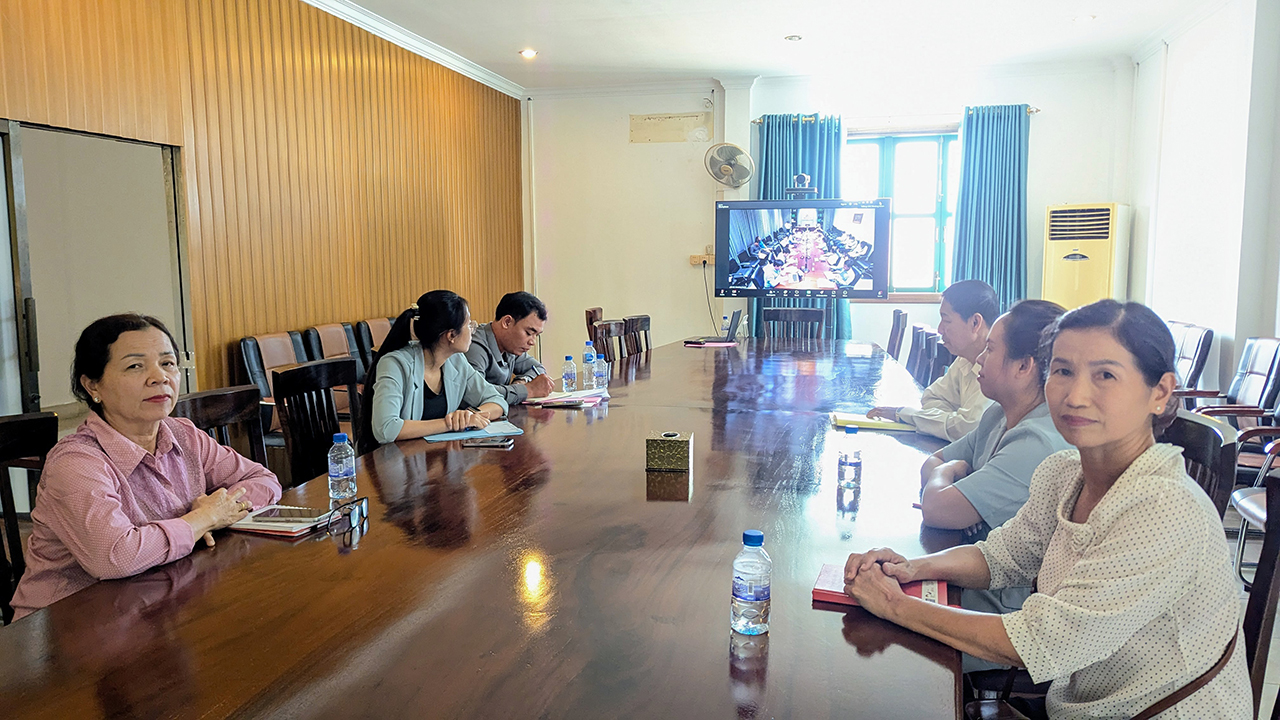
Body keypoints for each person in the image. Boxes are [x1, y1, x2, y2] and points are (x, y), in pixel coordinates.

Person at [843, 300, 1251, 719]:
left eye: (1105, 375)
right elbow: (1002, 557)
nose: (1076, 396)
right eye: (1062, 371)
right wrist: (911, 568)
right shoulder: (1064, 472)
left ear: (1160, 392)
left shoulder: (1164, 508)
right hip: (1077, 707)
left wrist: (894, 604)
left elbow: (1041, 641)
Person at [10, 314, 282, 620]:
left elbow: (262, 479)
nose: (159, 377)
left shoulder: (182, 433)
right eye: (135, 366)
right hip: (65, 625)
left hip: (153, 606)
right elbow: (116, 556)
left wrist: (223, 508)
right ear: (92, 385)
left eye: (167, 363)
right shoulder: (76, 462)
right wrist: (203, 518)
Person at [361, 290, 507, 450]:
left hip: (439, 455)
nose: (473, 330)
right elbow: (386, 429)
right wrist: (449, 423)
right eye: (468, 324)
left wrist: (469, 416)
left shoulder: (457, 361)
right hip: (396, 459)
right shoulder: (394, 364)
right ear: (451, 335)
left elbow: (498, 401)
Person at [868, 279, 998, 441]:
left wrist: (905, 414)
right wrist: (950, 421)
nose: (940, 329)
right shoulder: (965, 358)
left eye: (947, 320)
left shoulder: (999, 368)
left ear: (975, 323)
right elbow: (931, 397)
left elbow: (967, 428)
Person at [465, 291, 555, 405]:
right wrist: (528, 390)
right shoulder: (474, 346)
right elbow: (476, 393)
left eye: (536, 335)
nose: (532, 342)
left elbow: (537, 368)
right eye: (528, 333)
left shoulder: (511, 347)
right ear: (507, 322)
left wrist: (521, 381)